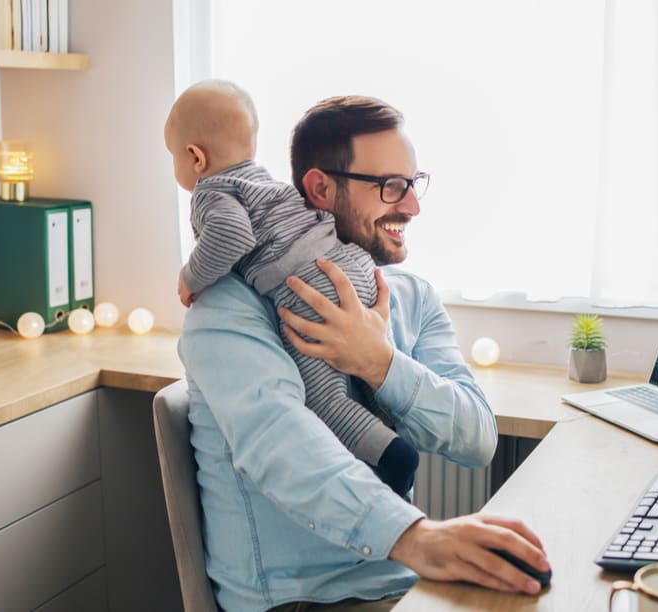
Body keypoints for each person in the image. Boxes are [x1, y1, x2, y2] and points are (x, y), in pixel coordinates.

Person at [178, 95, 550, 612]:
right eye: (390, 186)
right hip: (304, 600)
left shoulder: (411, 295)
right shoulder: (228, 307)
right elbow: (280, 444)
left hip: (403, 585)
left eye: (414, 183)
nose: (413, 206)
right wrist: (417, 538)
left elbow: (479, 439)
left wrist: (380, 363)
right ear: (320, 188)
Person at [167, 80, 417, 494]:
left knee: (323, 397)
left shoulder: (213, 192)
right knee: (363, 374)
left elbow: (231, 237)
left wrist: (190, 276)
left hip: (312, 285)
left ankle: (393, 457)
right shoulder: (265, 182)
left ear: (194, 156)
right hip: (352, 266)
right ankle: (388, 432)